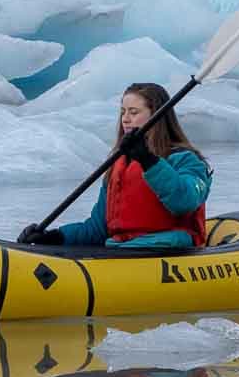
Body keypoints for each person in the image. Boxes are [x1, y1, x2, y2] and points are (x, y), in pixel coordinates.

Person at [17, 82, 211, 253]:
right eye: (123, 112)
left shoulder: (187, 160)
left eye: (134, 112)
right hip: (123, 250)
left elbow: (185, 201)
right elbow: (98, 229)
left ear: (157, 115)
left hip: (167, 251)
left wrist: (148, 160)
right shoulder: (119, 165)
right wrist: (55, 237)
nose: (125, 119)